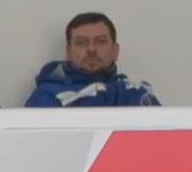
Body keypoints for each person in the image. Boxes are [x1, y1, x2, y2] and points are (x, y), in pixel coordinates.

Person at [25, 12, 161, 107]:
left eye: (101, 41)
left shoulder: (137, 94)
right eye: (81, 43)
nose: (91, 49)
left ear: (116, 50)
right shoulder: (46, 97)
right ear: (68, 52)